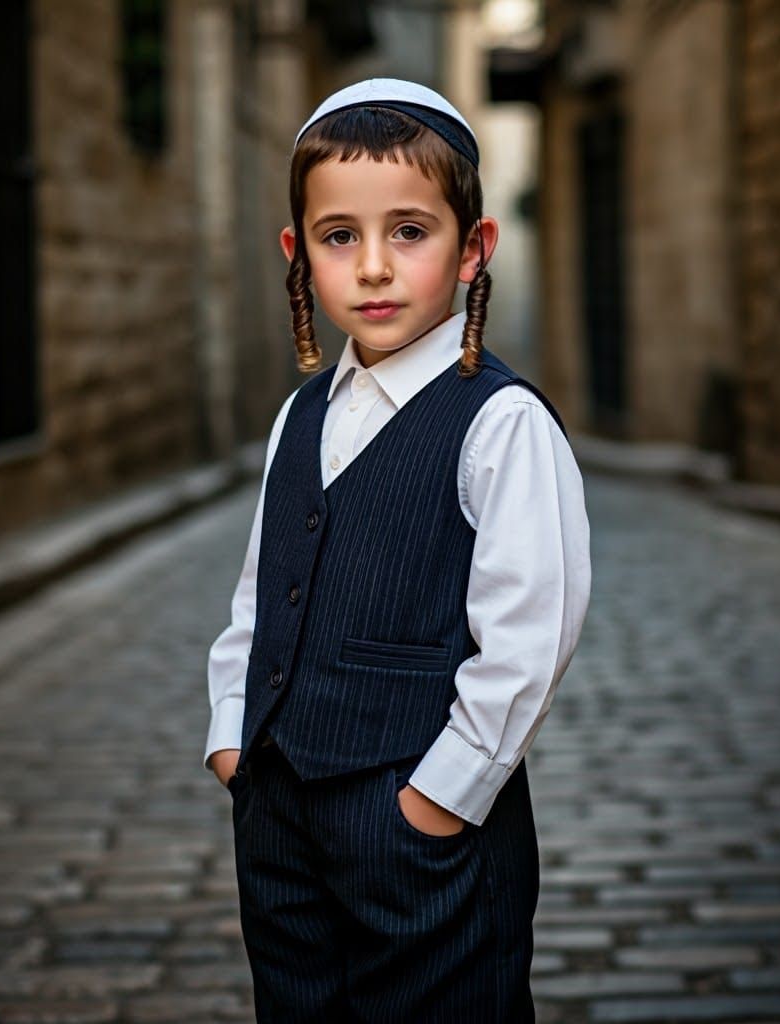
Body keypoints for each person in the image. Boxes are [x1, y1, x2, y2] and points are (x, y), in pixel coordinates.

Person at [203, 78, 591, 1022]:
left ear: (474, 248)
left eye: (409, 232)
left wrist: (439, 802)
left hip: (421, 827)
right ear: (299, 254)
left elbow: (532, 633)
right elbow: (262, 595)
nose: (373, 266)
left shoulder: (498, 422)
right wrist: (231, 736)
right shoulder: (300, 416)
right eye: (341, 237)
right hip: (280, 811)